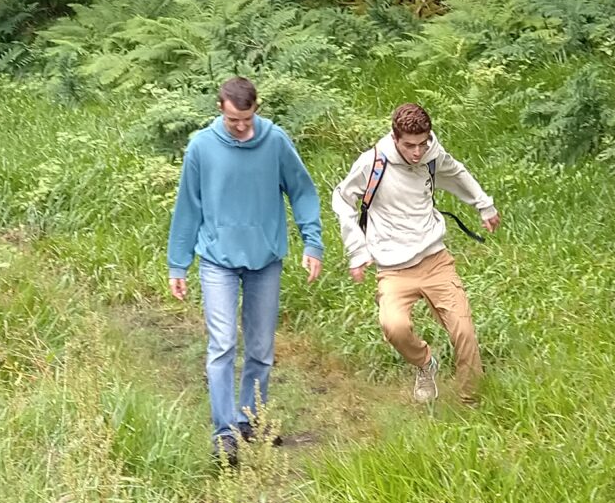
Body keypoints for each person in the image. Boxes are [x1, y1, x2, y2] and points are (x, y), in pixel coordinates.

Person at [168, 76, 324, 462]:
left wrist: (312, 242)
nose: (241, 127)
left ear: (256, 109)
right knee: (222, 345)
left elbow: (302, 191)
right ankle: (224, 434)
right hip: (216, 260)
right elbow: (188, 207)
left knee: (260, 348)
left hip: (264, 259)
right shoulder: (201, 146)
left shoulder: (275, 142)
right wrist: (178, 264)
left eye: (247, 119)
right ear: (220, 109)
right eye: (233, 120)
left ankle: (250, 419)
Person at [332, 102, 500, 405]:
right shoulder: (373, 162)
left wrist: (484, 205)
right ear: (395, 138)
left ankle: (472, 401)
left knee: (464, 330)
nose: (417, 152)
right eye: (410, 145)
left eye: (423, 143)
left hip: (435, 260)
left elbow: (456, 172)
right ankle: (425, 364)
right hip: (393, 269)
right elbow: (342, 199)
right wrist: (357, 250)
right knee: (394, 327)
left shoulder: (432, 155)